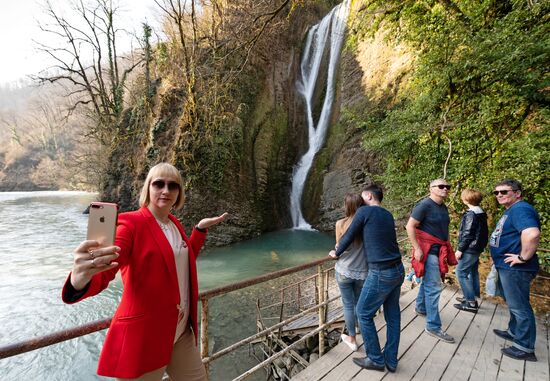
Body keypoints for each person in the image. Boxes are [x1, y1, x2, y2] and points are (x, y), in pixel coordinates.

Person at [62, 162, 228, 380]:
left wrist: (199, 230)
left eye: (173, 186)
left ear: (179, 193)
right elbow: (107, 267)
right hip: (146, 337)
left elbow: (180, 262)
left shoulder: (173, 224)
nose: (166, 190)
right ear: (148, 188)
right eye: (159, 184)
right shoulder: (130, 225)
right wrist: (80, 280)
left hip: (180, 331)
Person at [329, 184, 404, 373]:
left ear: (369, 196)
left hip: (381, 272)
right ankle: (391, 360)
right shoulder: (387, 214)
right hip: (398, 269)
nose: (360, 200)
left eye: (363, 197)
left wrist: (335, 252)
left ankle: (375, 359)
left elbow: (348, 237)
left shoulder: (364, 212)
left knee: (362, 312)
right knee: (393, 316)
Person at [490, 179, 541, 362]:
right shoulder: (512, 210)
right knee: (514, 303)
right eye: (496, 193)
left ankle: (525, 347)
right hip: (508, 267)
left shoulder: (521, 209)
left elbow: (532, 233)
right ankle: (513, 331)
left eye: (504, 191)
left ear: (517, 193)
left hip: (517, 268)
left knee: (520, 306)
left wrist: (522, 257)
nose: (499, 195)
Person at [406, 178, 457, 343]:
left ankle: (421, 308)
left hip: (438, 250)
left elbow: (444, 229)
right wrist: (417, 249)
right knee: (434, 288)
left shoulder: (443, 207)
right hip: (429, 252)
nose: (445, 189)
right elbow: (410, 226)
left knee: (429, 283)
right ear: (431, 188)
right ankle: (433, 326)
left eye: (447, 187)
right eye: (441, 186)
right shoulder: (424, 205)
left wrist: (448, 246)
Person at [333, 193, 368, 351]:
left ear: (347, 206)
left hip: (343, 270)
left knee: (348, 305)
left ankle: (352, 339)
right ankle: (363, 331)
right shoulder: (366, 225)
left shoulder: (340, 223)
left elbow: (338, 246)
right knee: (359, 303)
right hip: (362, 271)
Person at [453, 188, 489, 313]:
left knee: (460, 272)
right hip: (477, 247)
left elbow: (468, 234)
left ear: (465, 199)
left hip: (470, 248)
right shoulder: (480, 212)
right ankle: (471, 297)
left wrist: (460, 249)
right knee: (472, 272)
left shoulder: (471, 214)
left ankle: (471, 303)